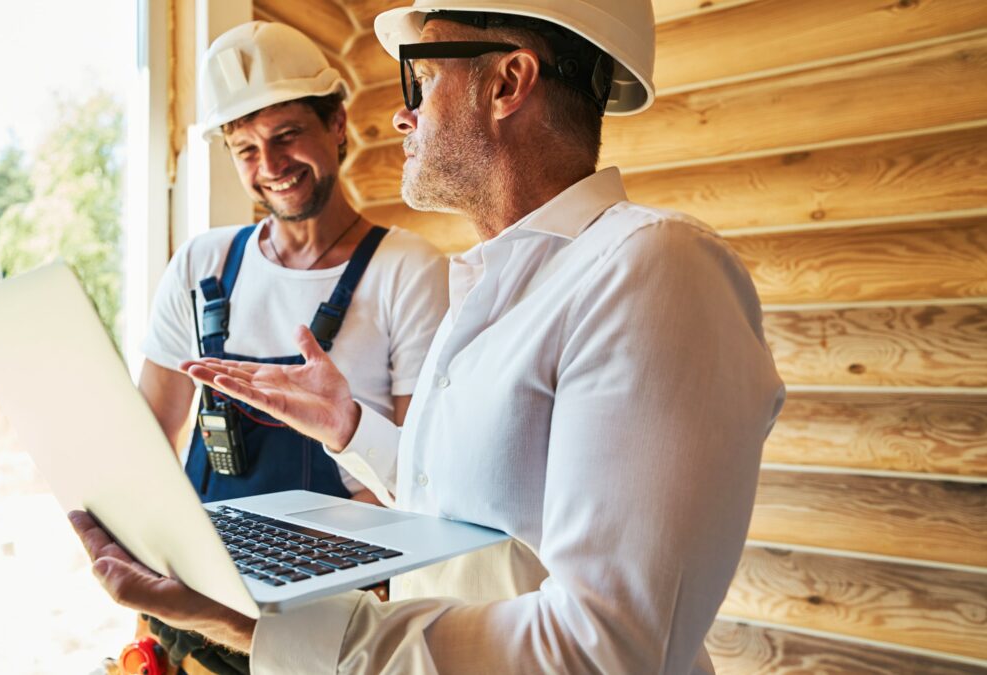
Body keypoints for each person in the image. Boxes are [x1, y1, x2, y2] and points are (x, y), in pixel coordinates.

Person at [72, 1, 786, 672]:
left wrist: (262, 631)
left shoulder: (654, 267)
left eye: (420, 75)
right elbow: (478, 515)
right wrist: (350, 428)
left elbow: (601, 649)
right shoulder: (497, 284)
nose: (401, 113)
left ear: (507, 81)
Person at [137, 21, 448, 505]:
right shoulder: (202, 265)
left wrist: (317, 573)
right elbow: (149, 441)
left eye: (287, 135)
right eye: (246, 150)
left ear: (337, 123)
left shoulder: (408, 270)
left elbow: (419, 470)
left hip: (348, 567)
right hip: (215, 567)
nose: (271, 165)